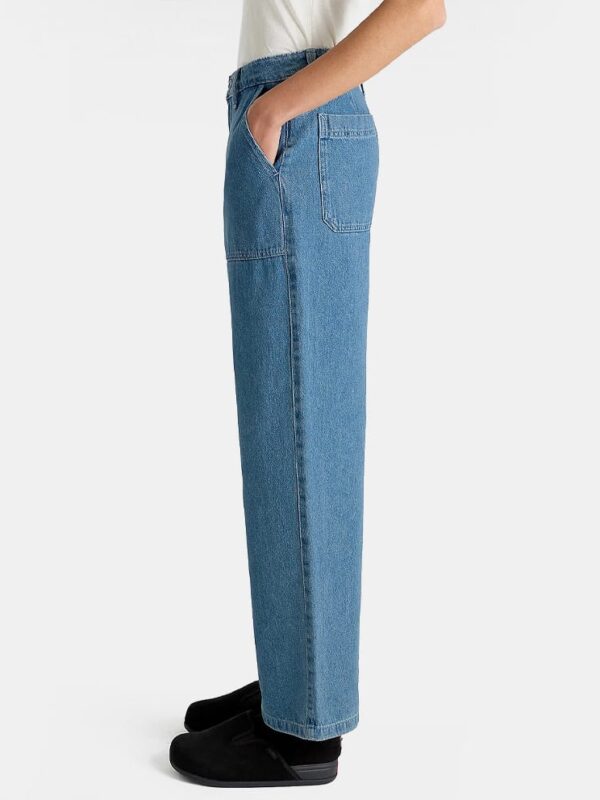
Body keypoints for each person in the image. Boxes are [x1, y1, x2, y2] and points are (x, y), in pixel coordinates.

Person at [170, 0, 446, 787]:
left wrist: (276, 110)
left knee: (301, 423)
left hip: (298, 116)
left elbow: (423, 8)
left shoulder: (285, 111)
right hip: (291, 117)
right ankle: (294, 684)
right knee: (284, 419)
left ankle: (303, 735)